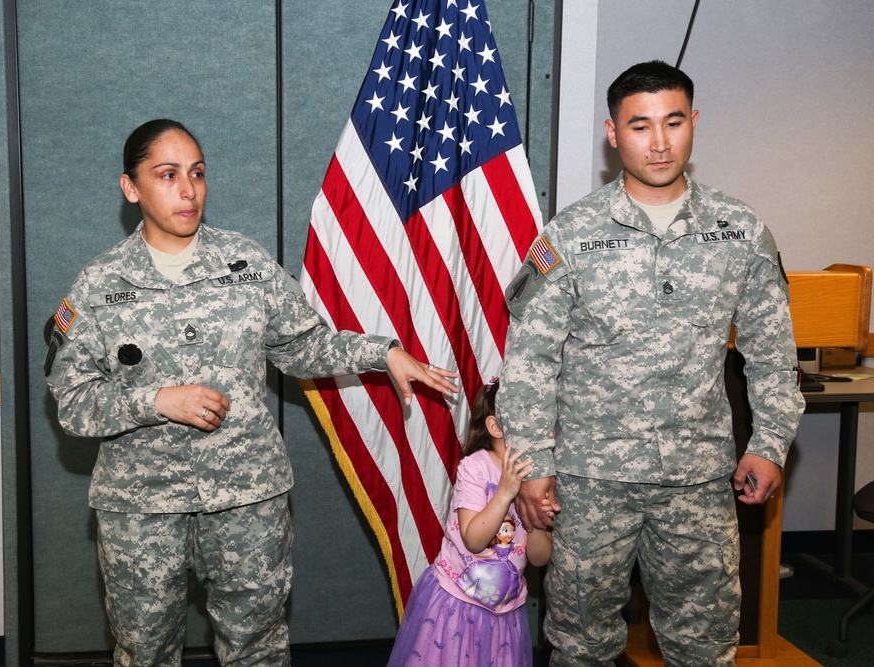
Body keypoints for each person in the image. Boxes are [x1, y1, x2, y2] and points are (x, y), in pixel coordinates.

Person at [43, 118, 458, 667]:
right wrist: (155, 401)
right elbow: (71, 402)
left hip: (248, 498)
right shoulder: (99, 284)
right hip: (141, 509)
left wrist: (383, 353)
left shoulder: (246, 264)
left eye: (197, 173)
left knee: (257, 650)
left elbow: (306, 348)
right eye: (167, 175)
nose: (188, 191)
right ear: (131, 187)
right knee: (144, 653)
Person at [495, 60, 805, 666]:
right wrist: (531, 464)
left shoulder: (740, 231)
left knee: (705, 645)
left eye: (673, 122)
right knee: (580, 644)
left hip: (697, 479)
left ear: (694, 123)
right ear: (614, 134)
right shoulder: (570, 234)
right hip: (589, 483)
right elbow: (530, 360)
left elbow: (773, 353)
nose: (659, 142)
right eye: (640, 126)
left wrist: (770, 443)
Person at [388, 380, 553, 667]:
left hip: (505, 615)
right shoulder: (476, 467)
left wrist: (537, 519)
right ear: (496, 427)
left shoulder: (540, 477)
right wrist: (504, 493)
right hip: (457, 607)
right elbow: (474, 540)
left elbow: (540, 558)